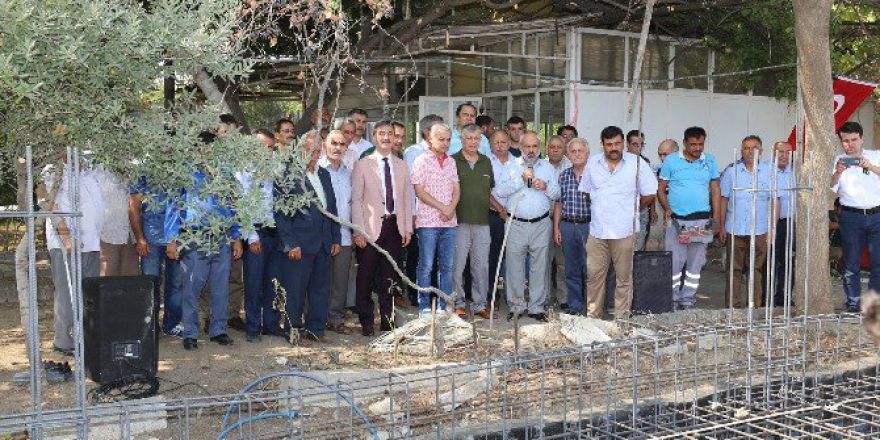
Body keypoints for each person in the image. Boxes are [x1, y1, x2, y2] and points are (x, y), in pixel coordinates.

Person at [165, 132, 243, 350]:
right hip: (195, 238)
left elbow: (234, 208)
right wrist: (171, 240)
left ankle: (218, 330)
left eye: (211, 149)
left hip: (221, 238)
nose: (206, 152)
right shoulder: (184, 174)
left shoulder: (225, 174)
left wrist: (236, 237)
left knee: (220, 287)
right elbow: (173, 208)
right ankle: (190, 333)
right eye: (202, 148)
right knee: (192, 287)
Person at [579, 126, 657, 319]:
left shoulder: (637, 163)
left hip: (625, 231)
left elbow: (649, 193)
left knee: (623, 279)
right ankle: (593, 320)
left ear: (623, 143)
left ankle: (621, 321)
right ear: (602, 145)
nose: (614, 148)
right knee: (594, 277)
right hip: (598, 232)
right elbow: (586, 192)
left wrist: (632, 210)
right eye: (609, 144)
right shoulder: (593, 163)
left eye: (617, 143)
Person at [274, 130, 340, 342]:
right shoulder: (287, 174)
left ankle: (316, 330)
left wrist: (335, 238)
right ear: (300, 149)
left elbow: (332, 208)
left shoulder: (324, 174)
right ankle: (293, 330)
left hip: (323, 242)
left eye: (318, 151)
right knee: (295, 290)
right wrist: (290, 243)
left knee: (320, 290)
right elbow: (280, 213)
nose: (315, 154)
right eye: (310, 150)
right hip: (299, 243)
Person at [351, 121, 413, 335]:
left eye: (390, 134)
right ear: (375, 137)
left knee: (390, 277)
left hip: (394, 227)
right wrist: (357, 231)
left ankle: (388, 321)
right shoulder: (363, 164)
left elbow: (406, 199)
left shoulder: (402, 166)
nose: (387, 137)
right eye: (382, 133)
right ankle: (367, 321)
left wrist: (407, 228)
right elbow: (356, 200)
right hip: (369, 229)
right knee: (365, 277)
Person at [495, 131, 560, 322]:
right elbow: (500, 191)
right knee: (514, 266)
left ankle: (536, 307)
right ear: (521, 147)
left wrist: (545, 187)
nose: (531, 150)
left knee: (540, 266)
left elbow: (557, 194)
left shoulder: (547, 167)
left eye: (534, 146)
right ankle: (516, 306)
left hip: (541, 223)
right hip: (516, 223)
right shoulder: (511, 166)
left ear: (539, 147)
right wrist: (520, 180)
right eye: (527, 146)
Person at [656, 127, 720, 310]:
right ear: (684, 143)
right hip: (677, 221)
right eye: (693, 144)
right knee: (675, 263)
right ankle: (672, 300)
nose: (697, 148)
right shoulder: (671, 161)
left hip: (701, 221)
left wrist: (716, 218)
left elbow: (715, 189)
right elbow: (661, 189)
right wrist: (667, 209)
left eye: (701, 144)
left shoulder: (710, 160)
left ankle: (688, 300)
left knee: (695, 264)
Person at [46, 160, 105, 356]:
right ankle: (64, 342)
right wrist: (67, 236)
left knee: (88, 293)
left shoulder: (90, 171)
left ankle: (86, 338)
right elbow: (49, 205)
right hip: (66, 245)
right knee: (66, 294)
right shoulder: (52, 170)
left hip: (91, 243)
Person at [719, 135, 777, 309]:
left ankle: (754, 306)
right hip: (735, 228)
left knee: (756, 269)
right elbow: (724, 199)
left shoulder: (769, 172)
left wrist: (772, 228)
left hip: (760, 229)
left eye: (754, 148)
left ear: (761, 151)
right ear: (741, 151)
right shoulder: (732, 172)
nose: (750, 151)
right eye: (746, 148)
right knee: (734, 269)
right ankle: (733, 307)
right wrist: (721, 226)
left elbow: (775, 201)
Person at [412, 123, 460, 317]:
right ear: (430, 138)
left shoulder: (451, 161)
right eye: (441, 139)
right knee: (426, 266)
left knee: (447, 267)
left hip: (449, 222)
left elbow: (457, 188)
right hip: (428, 223)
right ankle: (424, 305)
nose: (445, 143)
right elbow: (419, 191)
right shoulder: (421, 160)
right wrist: (443, 208)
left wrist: (451, 208)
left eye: (448, 139)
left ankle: (445, 305)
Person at [831, 121, 880, 312]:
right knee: (851, 264)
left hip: (877, 215)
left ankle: (873, 305)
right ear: (841, 142)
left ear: (862, 139)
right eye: (846, 141)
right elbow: (832, 187)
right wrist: (837, 172)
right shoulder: (839, 160)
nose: (850, 144)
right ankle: (853, 304)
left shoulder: (875, 155)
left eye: (854, 140)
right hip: (851, 217)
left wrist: (870, 166)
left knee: (878, 264)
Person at [237, 130, 281, 342]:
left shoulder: (275, 171)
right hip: (255, 233)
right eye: (262, 147)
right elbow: (241, 205)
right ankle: (253, 327)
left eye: (270, 148)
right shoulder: (243, 171)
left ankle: (271, 325)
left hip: (275, 233)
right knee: (253, 283)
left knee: (273, 282)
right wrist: (251, 237)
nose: (266, 152)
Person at [130, 177, 183, 338]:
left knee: (176, 284)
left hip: (177, 239)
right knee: (150, 283)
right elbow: (133, 207)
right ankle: (150, 326)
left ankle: (171, 324)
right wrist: (140, 238)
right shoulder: (143, 176)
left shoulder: (180, 174)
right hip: (150, 239)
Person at [451, 124, 494, 319]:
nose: (473, 142)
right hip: (458, 222)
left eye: (476, 138)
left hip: (482, 222)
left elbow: (489, 191)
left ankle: (479, 304)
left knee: (481, 265)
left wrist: (501, 210)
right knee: (458, 264)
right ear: (462, 140)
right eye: (469, 138)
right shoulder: (453, 161)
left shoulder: (486, 162)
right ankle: (458, 303)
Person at [403, 114, 444, 305]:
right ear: (427, 132)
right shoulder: (413, 153)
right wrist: (412, 213)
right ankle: (415, 294)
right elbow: (411, 187)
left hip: (438, 215)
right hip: (419, 214)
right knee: (418, 256)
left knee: (435, 256)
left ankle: (433, 293)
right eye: (438, 129)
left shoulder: (443, 152)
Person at [318, 130, 354, 334]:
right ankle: (316, 318)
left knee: (340, 280)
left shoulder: (349, 173)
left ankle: (336, 318)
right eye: (334, 143)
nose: (337, 148)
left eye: (342, 144)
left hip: (345, 234)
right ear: (325, 144)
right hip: (321, 235)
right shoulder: (317, 170)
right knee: (320, 279)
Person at [553, 138, 591, 315]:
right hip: (567, 226)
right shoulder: (564, 175)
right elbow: (559, 204)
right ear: (568, 154)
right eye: (573, 151)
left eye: (580, 151)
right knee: (571, 269)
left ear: (587, 153)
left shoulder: (594, 174)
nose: (576, 154)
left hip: (589, 226)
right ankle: (575, 306)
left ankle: (591, 307)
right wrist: (556, 228)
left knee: (590, 268)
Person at [96, 167, 138, 276]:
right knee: (108, 276)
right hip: (107, 234)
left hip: (130, 235)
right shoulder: (98, 172)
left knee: (130, 277)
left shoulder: (133, 169)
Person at [768, 141, 796, 307]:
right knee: (769, 260)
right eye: (781, 152)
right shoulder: (766, 171)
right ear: (773, 152)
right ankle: (766, 298)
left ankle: (783, 297)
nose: (784, 156)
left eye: (788, 152)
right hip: (769, 223)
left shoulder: (795, 172)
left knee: (788, 261)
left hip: (789, 222)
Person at [545, 135, 571, 308]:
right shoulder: (540, 166)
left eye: (558, 147)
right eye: (552, 147)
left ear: (564, 149)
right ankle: (544, 298)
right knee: (544, 263)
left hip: (563, 221)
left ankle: (563, 298)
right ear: (547, 149)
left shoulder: (570, 166)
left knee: (562, 263)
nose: (555, 150)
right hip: (543, 220)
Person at [487, 130, 513, 296]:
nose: (499, 146)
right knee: (493, 256)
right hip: (493, 215)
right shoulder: (486, 162)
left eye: (503, 142)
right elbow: (484, 191)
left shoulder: (518, 162)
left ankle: (513, 295)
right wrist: (500, 209)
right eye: (496, 142)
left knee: (514, 257)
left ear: (509, 143)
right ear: (491, 145)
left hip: (515, 216)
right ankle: (492, 294)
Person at [627, 130, 653, 250]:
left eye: (641, 144)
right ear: (627, 144)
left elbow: (650, 188)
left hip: (643, 208)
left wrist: (653, 209)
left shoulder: (646, 162)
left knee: (640, 244)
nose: (638, 148)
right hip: (625, 209)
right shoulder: (620, 161)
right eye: (635, 144)